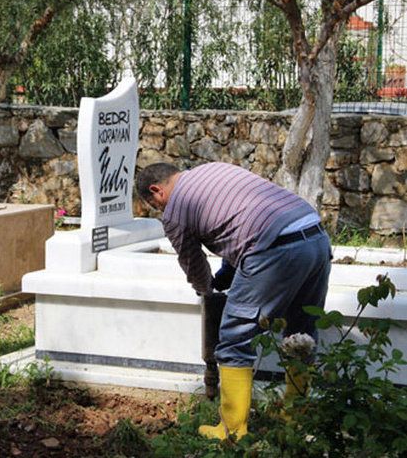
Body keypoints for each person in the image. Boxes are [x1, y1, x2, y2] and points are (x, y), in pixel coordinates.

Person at [136, 161, 331, 441]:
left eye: (157, 206)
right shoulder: (215, 170)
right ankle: (295, 417)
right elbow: (240, 223)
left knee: (235, 338)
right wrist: (227, 275)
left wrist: (208, 293)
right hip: (315, 236)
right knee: (301, 333)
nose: (161, 212)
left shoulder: (176, 210)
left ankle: (232, 430)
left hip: (274, 249)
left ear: (157, 191)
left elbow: (194, 264)